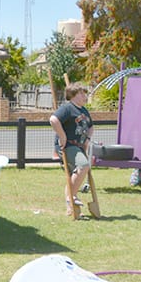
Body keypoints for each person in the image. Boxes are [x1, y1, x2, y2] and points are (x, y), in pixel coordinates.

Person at [49, 83, 94, 213]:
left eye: (84, 93)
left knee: (72, 175)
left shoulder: (83, 110)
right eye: (81, 93)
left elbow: (91, 127)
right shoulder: (68, 108)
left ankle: (70, 207)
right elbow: (53, 119)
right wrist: (62, 136)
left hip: (79, 146)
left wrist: (88, 139)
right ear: (73, 95)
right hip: (69, 145)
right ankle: (71, 197)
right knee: (83, 166)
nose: (84, 96)